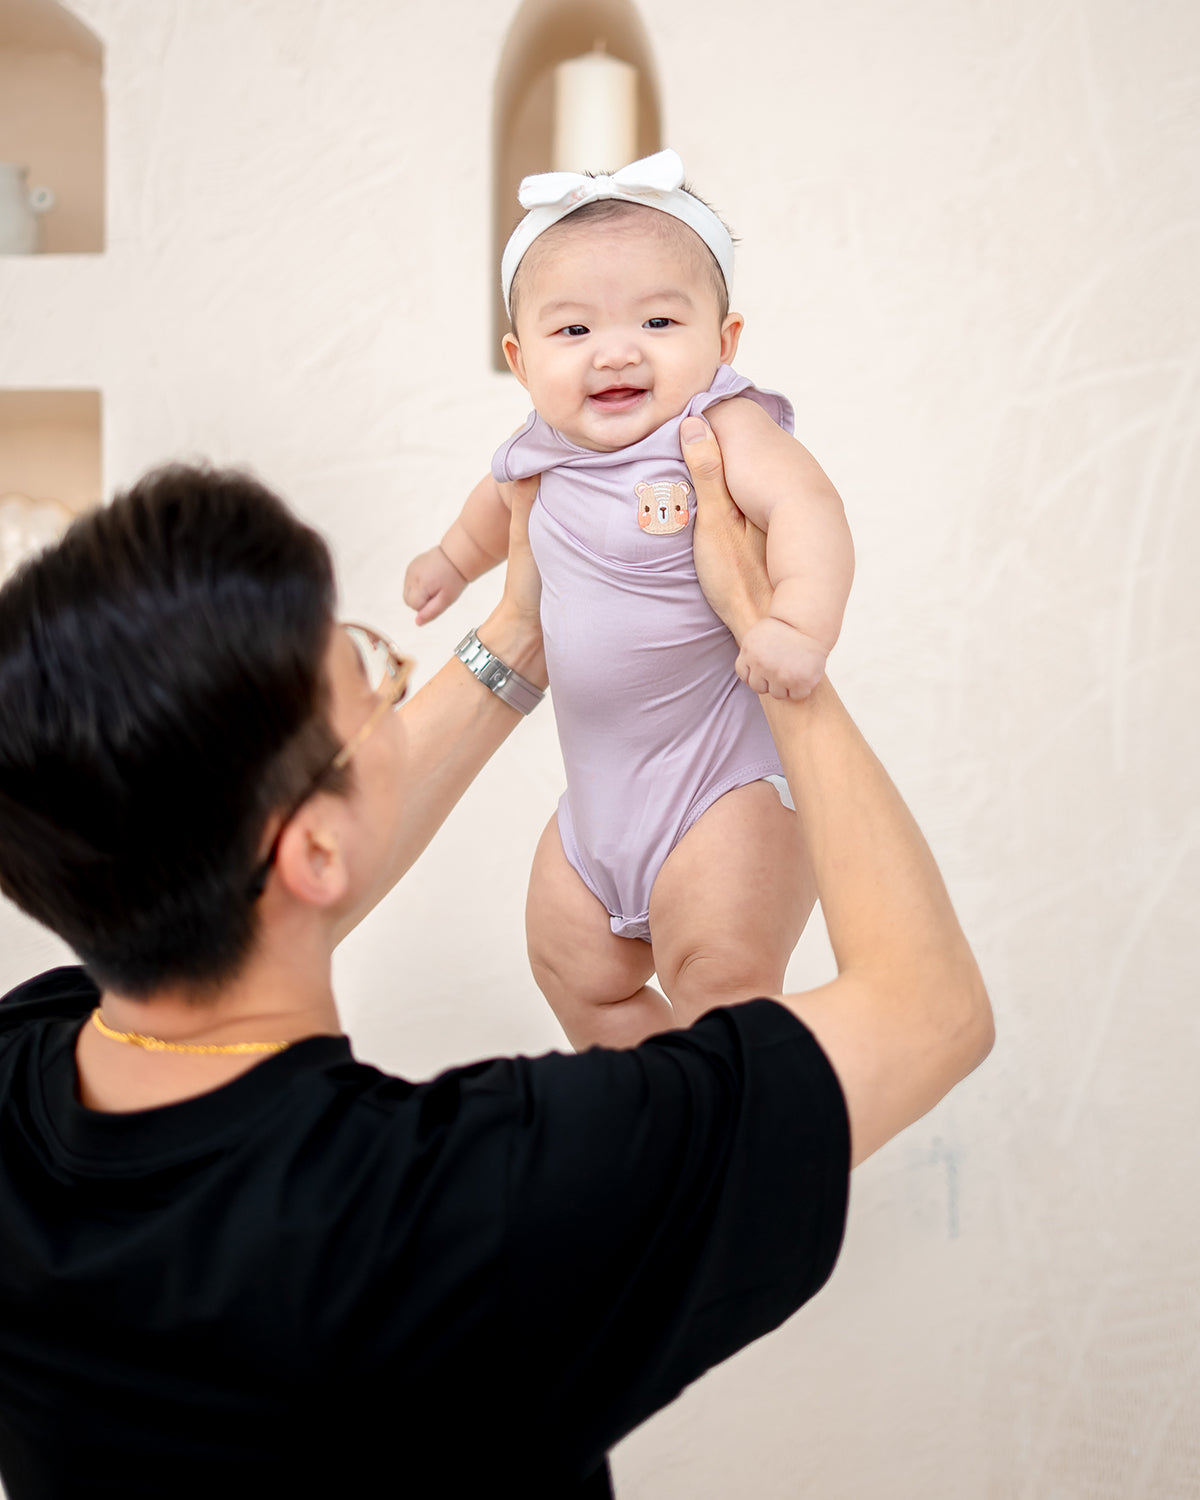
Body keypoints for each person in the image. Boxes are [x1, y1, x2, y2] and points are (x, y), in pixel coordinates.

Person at [0, 426, 991, 1499]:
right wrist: (766, 633)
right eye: (374, 678)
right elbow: (927, 1008)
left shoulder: (22, 1084)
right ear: (314, 847)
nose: (394, 688)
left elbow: (250, 900)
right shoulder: (480, 1197)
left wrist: (520, 631)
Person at [404, 149, 856, 1051]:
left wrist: (796, 623)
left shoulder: (725, 426)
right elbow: (494, 508)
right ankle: (655, 1112)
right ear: (519, 359)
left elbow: (810, 508)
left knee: (723, 985)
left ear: (723, 342)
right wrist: (453, 561)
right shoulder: (539, 446)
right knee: (572, 971)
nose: (616, 351)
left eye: (657, 319)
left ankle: (725, 1121)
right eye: (572, 332)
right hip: (597, 811)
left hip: (722, 792)